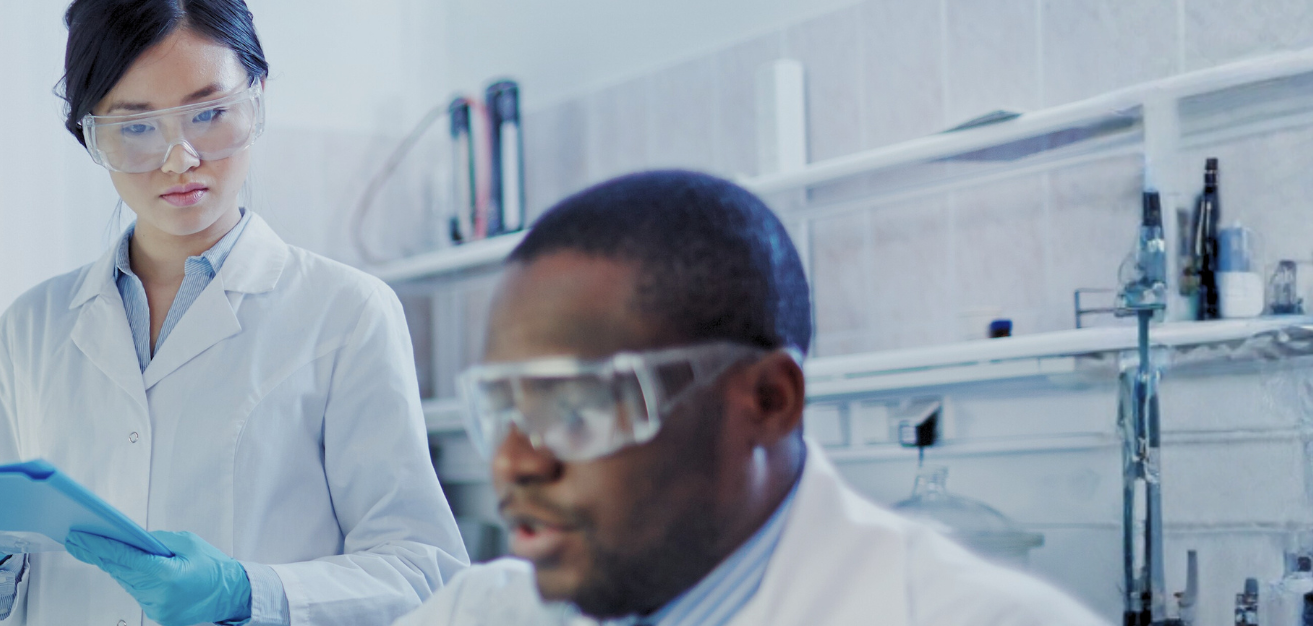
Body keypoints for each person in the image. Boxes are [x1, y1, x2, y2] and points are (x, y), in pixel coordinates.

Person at [391, 170, 1104, 626]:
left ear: (767, 399)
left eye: (575, 407)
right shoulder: (480, 614)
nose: (514, 462)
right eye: (502, 408)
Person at [0, 1, 468, 624]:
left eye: (208, 113)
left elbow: (424, 570)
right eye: (137, 126)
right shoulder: (30, 327)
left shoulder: (345, 311)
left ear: (256, 100)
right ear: (91, 136)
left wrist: (246, 593)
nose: (180, 158)